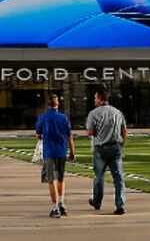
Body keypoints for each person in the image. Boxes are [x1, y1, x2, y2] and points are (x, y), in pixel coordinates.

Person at [85, 87, 128, 215]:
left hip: (100, 148)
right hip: (115, 147)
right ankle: (120, 205)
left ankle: (97, 201)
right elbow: (124, 132)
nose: (94, 100)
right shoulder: (117, 112)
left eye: (95, 98)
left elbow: (91, 132)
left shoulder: (93, 113)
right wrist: (122, 146)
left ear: (99, 98)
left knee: (99, 176)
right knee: (118, 177)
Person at [34, 93, 76, 218]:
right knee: (61, 179)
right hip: (61, 151)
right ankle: (62, 203)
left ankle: (55, 207)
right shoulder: (63, 118)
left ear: (48, 105)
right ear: (58, 104)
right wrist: (72, 152)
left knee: (51, 180)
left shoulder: (43, 117)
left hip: (49, 152)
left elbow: (38, 134)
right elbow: (69, 136)